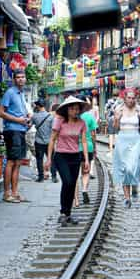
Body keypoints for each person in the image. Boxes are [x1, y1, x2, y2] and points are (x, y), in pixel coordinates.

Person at [45, 96, 90, 225]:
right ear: (67, 110)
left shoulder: (81, 123)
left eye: (77, 109)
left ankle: (67, 214)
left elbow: (84, 141)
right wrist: (48, 159)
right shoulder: (59, 121)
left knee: (71, 185)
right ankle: (63, 212)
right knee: (67, 182)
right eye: (73, 109)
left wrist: (86, 160)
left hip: (75, 156)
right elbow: (52, 139)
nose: (75, 111)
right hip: (61, 156)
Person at [0, 69, 30, 203]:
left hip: (21, 130)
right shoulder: (10, 93)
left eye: (23, 77)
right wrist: (18, 120)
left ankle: (15, 193)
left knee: (18, 162)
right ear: (14, 79)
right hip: (12, 130)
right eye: (18, 77)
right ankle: (6, 193)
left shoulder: (21, 93)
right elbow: (0, 112)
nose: (21, 79)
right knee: (11, 161)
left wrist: (26, 117)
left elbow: (18, 112)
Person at [112, 88, 140, 207]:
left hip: (135, 139)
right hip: (122, 140)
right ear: (124, 98)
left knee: (133, 167)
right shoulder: (119, 108)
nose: (131, 100)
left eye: (133, 98)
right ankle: (127, 198)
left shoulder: (138, 109)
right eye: (128, 98)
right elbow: (115, 127)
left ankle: (134, 185)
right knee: (125, 168)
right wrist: (116, 118)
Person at [79, 97, 99, 204]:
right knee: (86, 171)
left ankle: (74, 198)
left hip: (74, 148)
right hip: (88, 146)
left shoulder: (74, 116)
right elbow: (93, 134)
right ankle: (84, 189)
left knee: (75, 173)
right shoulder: (90, 117)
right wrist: (95, 147)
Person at [30, 100, 54, 182]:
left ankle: (41, 177)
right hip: (49, 142)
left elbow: (29, 126)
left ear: (38, 106)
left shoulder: (34, 116)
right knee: (51, 158)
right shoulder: (50, 116)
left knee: (39, 159)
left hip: (38, 141)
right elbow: (53, 129)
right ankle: (54, 176)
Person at [49, 103, 60, 183]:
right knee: (53, 159)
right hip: (52, 141)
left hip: (43, 140)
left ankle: (42, 174)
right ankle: (53, 176)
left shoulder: (48, 115)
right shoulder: (57, 118)